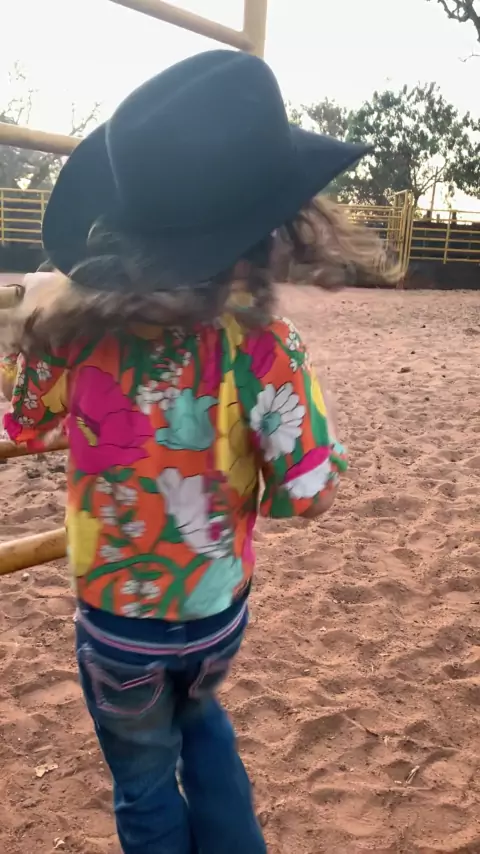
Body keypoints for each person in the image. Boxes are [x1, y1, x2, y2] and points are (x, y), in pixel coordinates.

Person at [0, 50, 400, 854]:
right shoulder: (262, 344)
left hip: (116, 623)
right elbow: (310, 494)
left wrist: (43, 317)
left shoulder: (75, 333)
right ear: (266, 231)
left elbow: (26, 427)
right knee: (202, 722)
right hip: (215, 613)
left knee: (143, 779)